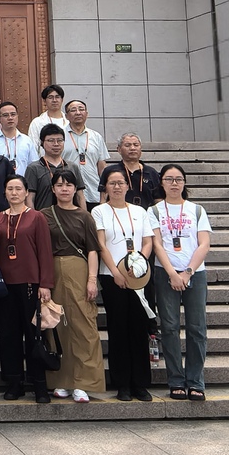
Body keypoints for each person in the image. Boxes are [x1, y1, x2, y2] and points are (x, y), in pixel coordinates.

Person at [0, 174, 55, 404]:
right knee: (9, 335)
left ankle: (39, 384)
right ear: (4, 192)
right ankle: (14, 382)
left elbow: (45, 251)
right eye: (10, 189)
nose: (14, 193)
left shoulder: (36, 217)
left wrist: (45, 283)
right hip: (5, 286)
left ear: (27, 192)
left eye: (18, 188)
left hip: (30, 284)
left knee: (34, 334)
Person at [150, 163, 212, 402]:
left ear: (184, 183)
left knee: (197, 328)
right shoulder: (154, 211)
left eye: (178, 179)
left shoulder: (197, 210)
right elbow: (157, 244)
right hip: (165, 273)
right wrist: (172, 274)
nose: (174, 183)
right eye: (169, 179)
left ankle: (196, 381)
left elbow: (204, 244)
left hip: (195, 273)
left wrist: (187, 272)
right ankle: (176, 380)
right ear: (161, 183)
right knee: (169, 327)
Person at [41, 168, 103, 404]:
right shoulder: (44, 215)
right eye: (59, 185)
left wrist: (91, 280)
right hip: (53, 272)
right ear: (53, 189)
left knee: (83, 326)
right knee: (57, 325)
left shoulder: (84, 216)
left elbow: (92, 250)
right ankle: (62, 380)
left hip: (79, 271)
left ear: (75, 189)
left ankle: (83, 382)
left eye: (68, 185)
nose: (64, 189)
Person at [93, 169, 155, 402]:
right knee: (118, 328)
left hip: (138, 276)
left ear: (127, 186)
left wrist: (139, 264)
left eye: (120, 183)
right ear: (106, 187)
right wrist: (116, 272)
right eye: (112, 183)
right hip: (112, 277)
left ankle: (140, 383)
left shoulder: (140, 211)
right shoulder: (99, 211)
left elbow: (147, 242)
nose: (117, 187)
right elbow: (101, 245)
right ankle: (122, 384)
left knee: (139, 327)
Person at [61, 100, 109, 210]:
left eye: (81, 109)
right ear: (66, 116)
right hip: (68, 193)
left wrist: (104, 194)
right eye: (73, 110)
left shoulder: (96, 137)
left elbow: (102, 167)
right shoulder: (60, 136)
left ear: (87, 113)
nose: (78, 113)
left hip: (94, 192)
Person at [24, 124, 85, 210]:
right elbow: (29, 198)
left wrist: (84, 215)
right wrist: (34, 217)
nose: (56, 144)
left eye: (60, 140)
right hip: (43, 216)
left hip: (70, 216)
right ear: (42, 143)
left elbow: (80, 196)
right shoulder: (34, 168)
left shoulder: (72, 167)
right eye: (51, 140)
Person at [99, 132, 161, 208]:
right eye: (127, 145)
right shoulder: (110, 171)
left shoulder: (151, 172)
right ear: (119, 149)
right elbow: (103, 199)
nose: (132, 148)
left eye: (136, 145)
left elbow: (158, 199)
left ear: (141, 148)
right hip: (116, 213)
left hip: (146, 213)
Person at [0, 102, 35, 176]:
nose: (10, 118)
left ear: (17, 116)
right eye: (5, 115)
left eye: (13, 114)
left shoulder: (27, 140)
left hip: (23, 182)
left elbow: (33, 165)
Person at [27, 84, 70, 148]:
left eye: (57, 97)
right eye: (50, 97)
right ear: (44, 101)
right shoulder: (37, 123)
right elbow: (33, 148)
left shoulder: (69, 121)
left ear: (62, 100)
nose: (54, 100)